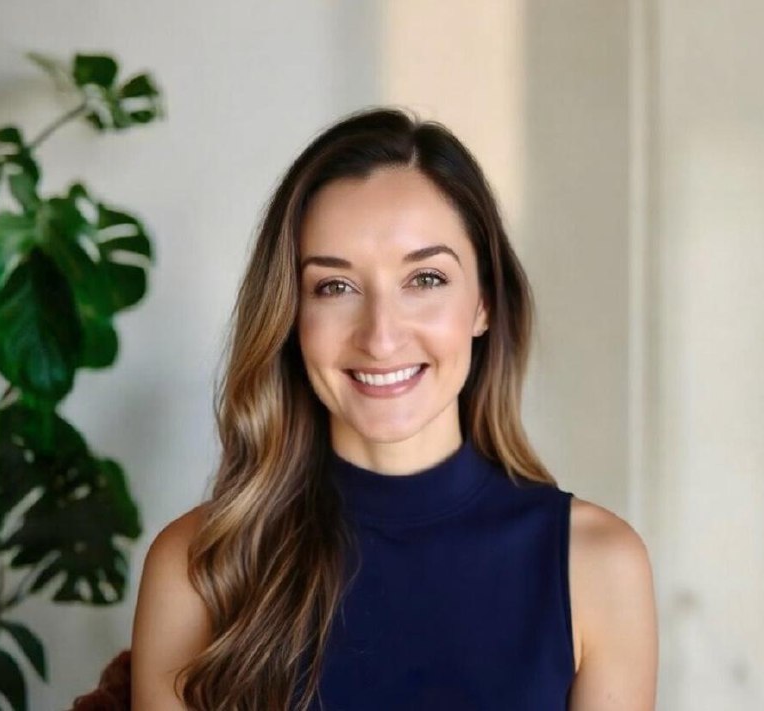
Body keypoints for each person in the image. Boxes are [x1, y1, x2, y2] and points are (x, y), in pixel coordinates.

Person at [130, 107, 658, 710]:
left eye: (426, 279)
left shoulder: (597, 568)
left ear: (484, 301)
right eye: (335, 287)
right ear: (290, 317)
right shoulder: (199, 567)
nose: (381, 337)